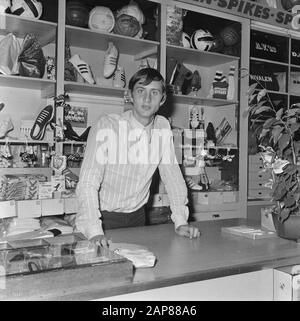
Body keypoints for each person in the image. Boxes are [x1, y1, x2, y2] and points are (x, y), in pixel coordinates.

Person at [75, 68, 200, 247]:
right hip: (102, 219)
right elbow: (88, 183)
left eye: (154, 92)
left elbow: (172, 177)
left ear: (163, 99)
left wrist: (181, 222)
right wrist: (94, 232)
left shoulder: (162, 127)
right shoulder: (108, 126)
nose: (147, 99)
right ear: (130, 95)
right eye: (141, 91)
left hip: (138, 218)